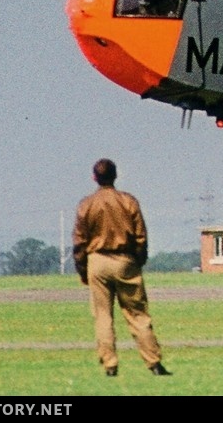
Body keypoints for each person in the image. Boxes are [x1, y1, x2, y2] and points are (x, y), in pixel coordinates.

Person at [72, 158, 170, 377]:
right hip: (125, 260)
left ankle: (110, 365)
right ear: (116, 176)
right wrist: (138, 261)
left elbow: (79, 241)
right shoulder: (129, 201)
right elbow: (140, 236)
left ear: (94, 177)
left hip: (97, 260)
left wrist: (82, 269)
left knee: (103, 316)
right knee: (138, 314)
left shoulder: (86, 204)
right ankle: (153, 363)